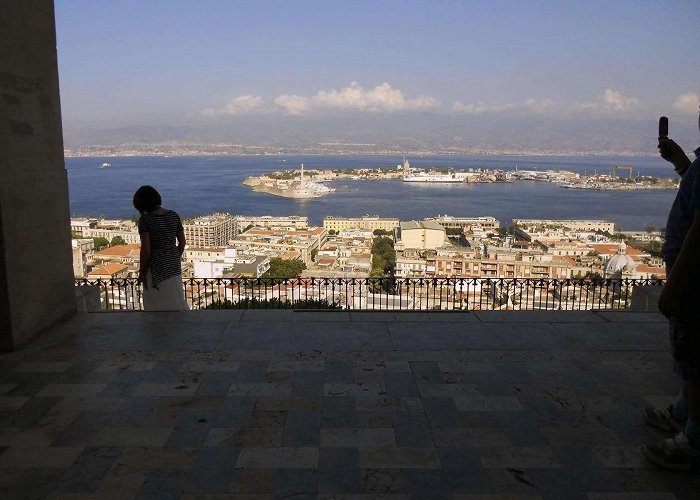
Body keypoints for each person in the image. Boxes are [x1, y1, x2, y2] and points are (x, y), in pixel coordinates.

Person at [642, 107, 700, 471]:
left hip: (693, 280)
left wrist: (675, 283)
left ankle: (693, 442)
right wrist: (680, 161)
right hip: (689, 276)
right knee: (689, 355)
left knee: (696, 361)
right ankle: (681, 412)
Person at [133, 185, 189, 311]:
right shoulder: (173, 216)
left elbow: (146, 249)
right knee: (175, 298)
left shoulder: (145, 220)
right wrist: (174, 257)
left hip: (155, 267)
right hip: (173, 265)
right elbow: (182, 242)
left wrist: (141, 271)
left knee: (156, 302)